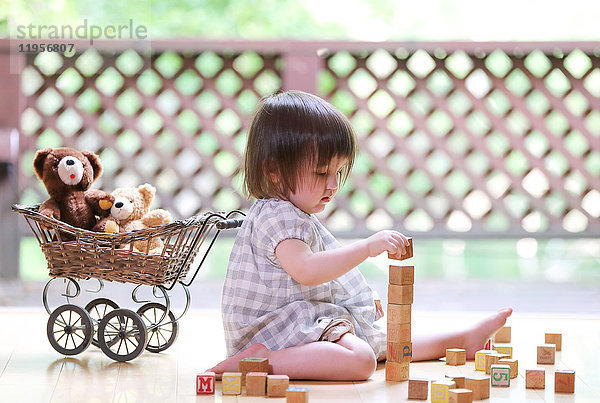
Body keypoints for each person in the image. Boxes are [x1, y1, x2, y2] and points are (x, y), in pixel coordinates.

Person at [209, 91, 512, 381]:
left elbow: (310, 276)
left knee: (380, 342)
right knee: (363, 359)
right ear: (273, 170)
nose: (333, 185)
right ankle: (261, 360)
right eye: (320, 172)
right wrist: (366, 248)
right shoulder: (278, 216)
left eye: (338, 172)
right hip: (269, 331)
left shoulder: (291, 213)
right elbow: (308, 270)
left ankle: (461, 341)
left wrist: (354, 298)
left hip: (295, 320)